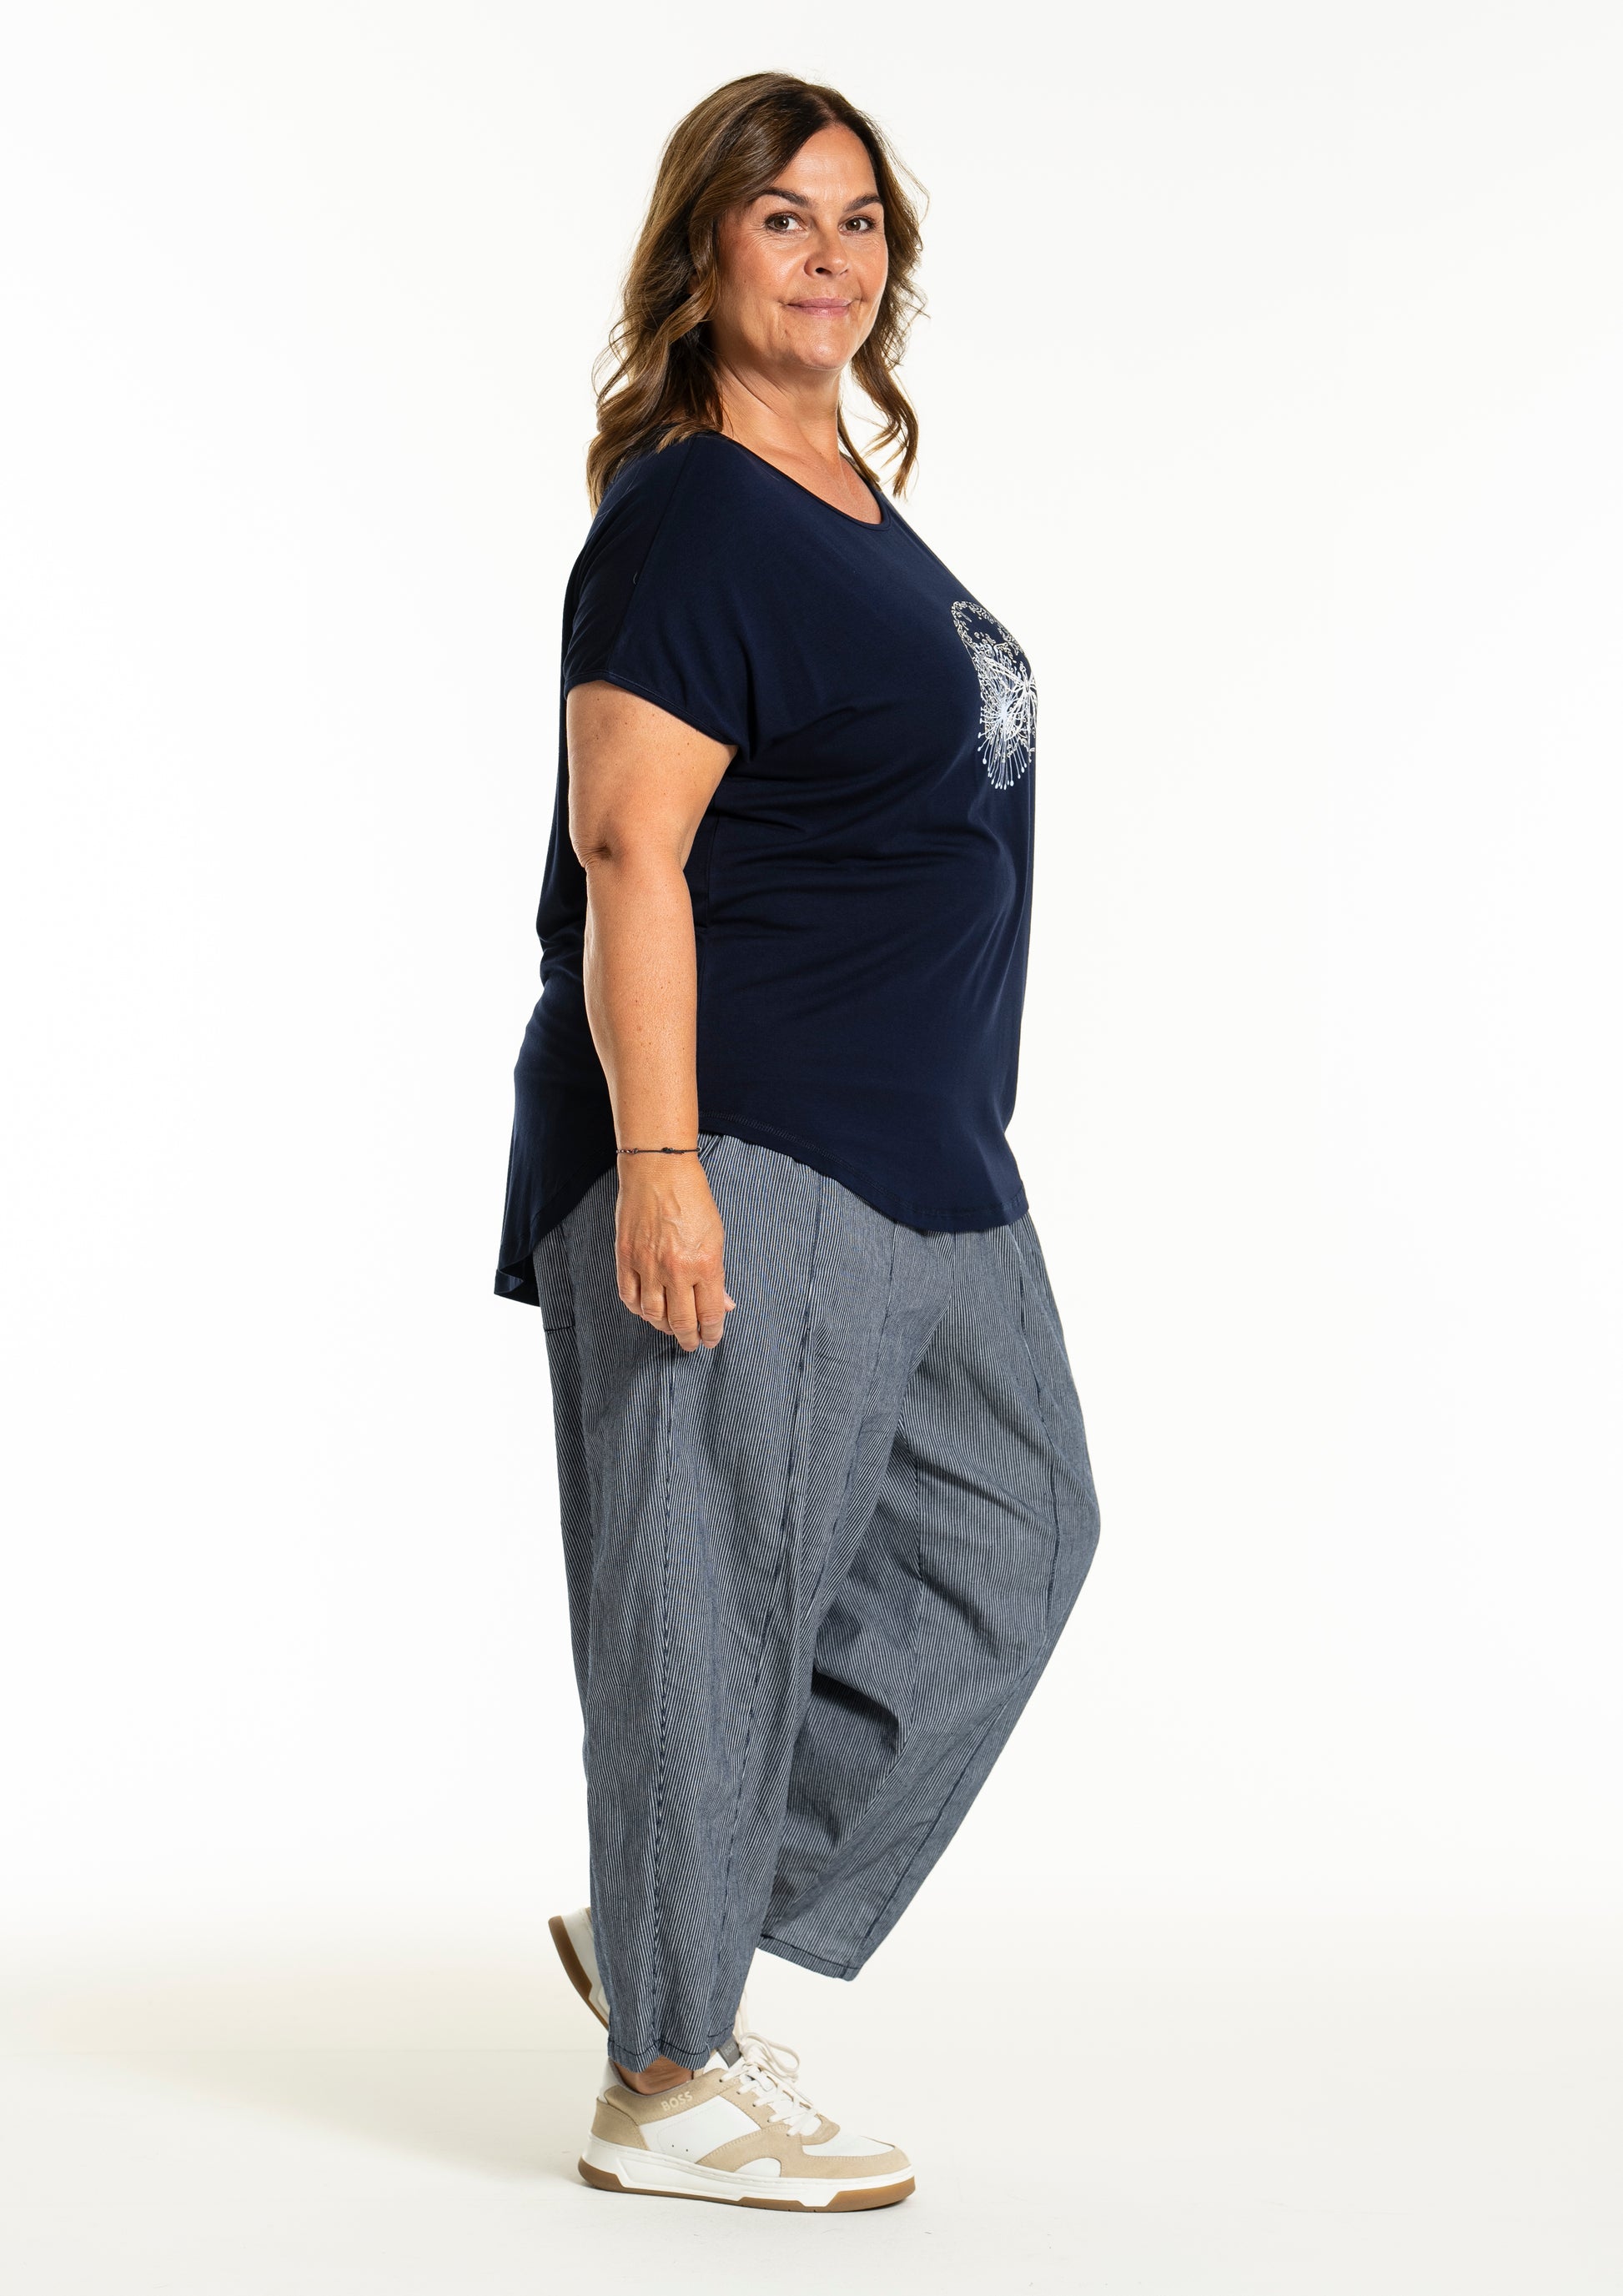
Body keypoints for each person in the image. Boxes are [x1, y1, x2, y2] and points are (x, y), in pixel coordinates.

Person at [495, 70, 1101, 2213]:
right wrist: (660, 1164)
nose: (829, 255)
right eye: (783, 218)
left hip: (925, 1146)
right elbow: (628, 849)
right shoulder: (693, 515)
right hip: (748, 1129)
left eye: (859, 221)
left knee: (1015, 1538)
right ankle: (665, 2079)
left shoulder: (846, 500)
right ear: (704, 252)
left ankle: (672, 1914)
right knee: (714, 1589)